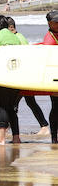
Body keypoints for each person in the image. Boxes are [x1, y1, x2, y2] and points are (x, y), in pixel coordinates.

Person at [0, 15, 26, 145]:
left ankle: (1, 139)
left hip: (4, 77)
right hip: (17, 76)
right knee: (11, 108)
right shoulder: (15, 37)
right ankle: (16, 138)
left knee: (2, 107)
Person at [37, 11, 58, 143]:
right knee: (56, 107)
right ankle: (54, 137)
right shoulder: (49, 39)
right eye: (56, 22)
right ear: (49, 23)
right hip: (54, 76)